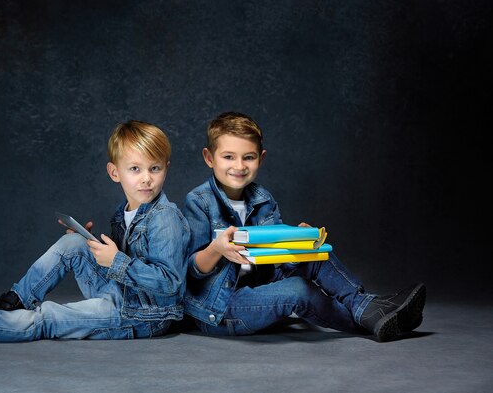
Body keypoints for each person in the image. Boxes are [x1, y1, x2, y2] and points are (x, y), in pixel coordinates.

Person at [0, 120, 190, 343]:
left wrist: (116, 261)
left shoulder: (165, 217)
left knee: (49, 317)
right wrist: (92, 246)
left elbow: (170, 284)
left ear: (166, 169)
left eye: (154, 168)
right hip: (124, 294)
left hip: (146, 315)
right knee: (72, 246)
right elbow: (126, 264)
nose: (146, 178)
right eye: (135, 169)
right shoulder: (123, 211)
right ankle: (10, 306)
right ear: (114, 172)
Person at [181, 111, 426, 342]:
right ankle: (371, 320)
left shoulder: (262, 198)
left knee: (316, 250)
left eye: (248, 157)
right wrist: (217, 249)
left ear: (261, 158)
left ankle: (365, 306)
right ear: (209, 158)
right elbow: (192, 271)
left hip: (261, 288)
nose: (239, 166)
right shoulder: (199, 202)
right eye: (228, 157)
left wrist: (297, 240)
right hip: (221, 308)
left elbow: (276, 261)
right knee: (299, 290)